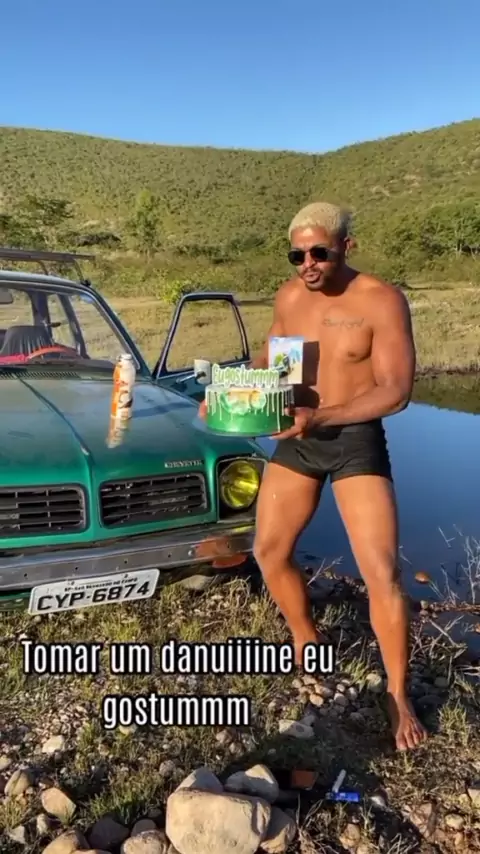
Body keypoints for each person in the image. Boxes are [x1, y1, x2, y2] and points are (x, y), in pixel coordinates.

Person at [199, 201, 427, 751]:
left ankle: (398, 695)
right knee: (269, 551)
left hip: (352, 440)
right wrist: (226, 394)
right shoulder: (289, 297)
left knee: (381, 572)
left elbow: (396, 391)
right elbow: (269, 364)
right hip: (296, 437)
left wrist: (321, 417)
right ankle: (306, 638)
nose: (308, 264)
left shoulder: (380, 299)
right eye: (297, 255)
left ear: (346, 246)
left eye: (319, 253)